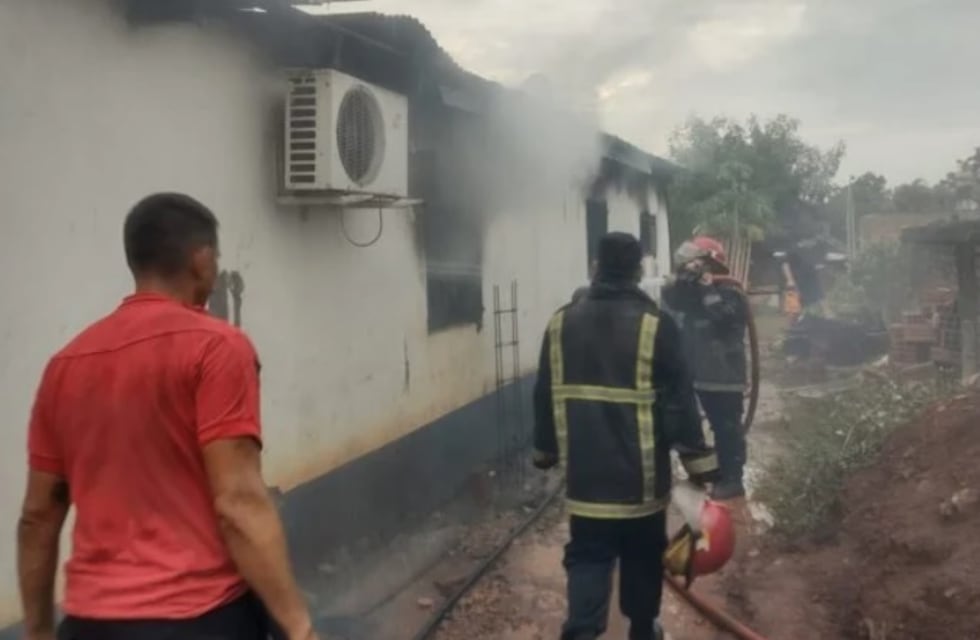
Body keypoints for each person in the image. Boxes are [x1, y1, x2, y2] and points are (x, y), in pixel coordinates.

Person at [18, 193, 316, 640]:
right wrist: (299, 628)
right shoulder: (216, 347)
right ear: (201, 259)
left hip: (89, 625)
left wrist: (40, 631)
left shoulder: (65, 365)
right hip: (198, 619)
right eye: (215, 258)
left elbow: (39, 516)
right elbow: (238, 502)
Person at [533, 232, 720, 640]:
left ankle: (582, 631)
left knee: (587, 555)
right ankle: (642, 629)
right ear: (638, 272)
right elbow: (681, 403)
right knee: (641, 555)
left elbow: (545, 391)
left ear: (596, 267)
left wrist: (544, 451)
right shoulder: (656, 325)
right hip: (642, 481)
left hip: (587, 481)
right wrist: (700, 464)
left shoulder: (561, 322)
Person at [661, 236, 750, 500]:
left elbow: (723, 318)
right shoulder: (689, 294)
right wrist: (685, 282)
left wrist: (707, 289)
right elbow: (673, 301)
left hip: (724, 375)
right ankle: (706, 473)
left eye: (696, 263)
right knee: (687, 424)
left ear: (711, 263)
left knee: (726, 427)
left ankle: (732, 479)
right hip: (696, 372)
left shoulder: (732, 292)